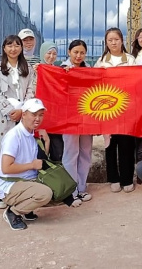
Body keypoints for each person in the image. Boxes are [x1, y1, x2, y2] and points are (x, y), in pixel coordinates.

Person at [0, 35, 36, 209]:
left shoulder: (28, 68)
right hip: (4, 117)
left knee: (22, 152)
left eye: (17, 45)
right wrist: (10, 111)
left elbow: (32, 90)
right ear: (4, 48)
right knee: (1, 152)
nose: (13, 49)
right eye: (10, 45)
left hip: (23, 116)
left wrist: (22, 110)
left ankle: (21, 189)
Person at [0, 98, 54, 230]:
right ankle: (14, 212)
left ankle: (27, 209)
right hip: (10, 185)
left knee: (60, 189)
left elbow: (40, 162)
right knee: (45, 194)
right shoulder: (14, 136)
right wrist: (31, 166)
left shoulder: (32, 133)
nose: (37, 119)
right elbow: (6, 168)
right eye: (33, 115)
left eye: (41, 115)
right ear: (23, 115)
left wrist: (47, 142)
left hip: (27, 180)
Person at [95, 28, 137, 193]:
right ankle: (113, 178)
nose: (113, 43)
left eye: (116, 39)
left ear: (122, 41)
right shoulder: (101, 61)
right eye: (110, 40)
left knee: (127, 144)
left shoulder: (131, 60)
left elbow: (139, 79)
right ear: (106, 42)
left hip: (127, 108)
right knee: (110, 145)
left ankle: (127, 178)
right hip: (108, 109)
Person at [61, 39, 93, 206]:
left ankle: (81, 187)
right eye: (75, 52)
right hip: (70, 119)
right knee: (70, 153)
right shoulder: (62, 69)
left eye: (82, 52)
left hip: (86, 118)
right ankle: (70, 190)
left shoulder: (89, 70)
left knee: (85, 152)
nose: (79, 55)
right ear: (69, 52)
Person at [38, 41, 63, 161]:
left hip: (55, 118)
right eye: (49, 53)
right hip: (39, 117)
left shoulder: (58, 71)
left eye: (54, 53)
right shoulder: (36, 69)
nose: (51, 56)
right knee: (40, 151)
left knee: (57, 152)